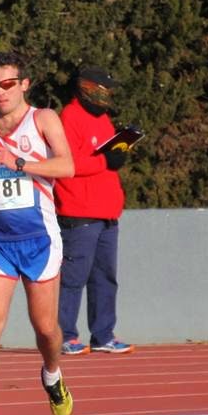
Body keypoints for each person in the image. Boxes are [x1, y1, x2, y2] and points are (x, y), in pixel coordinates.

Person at [0, 52, 75, 415]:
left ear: (24, 84)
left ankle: (53, 375)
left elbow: (66, 166)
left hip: (39, 239)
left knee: (45, 329)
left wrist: (19, 162)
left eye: (7, 84)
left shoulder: (42, 119)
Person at [55, 66, 134, 355]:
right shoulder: (68, 117)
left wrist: (118, 156)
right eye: (102, 90)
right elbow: (68, 165)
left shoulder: (104, 120)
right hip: (79, 212)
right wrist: (106, 161)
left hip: (107, 212)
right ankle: (64, 336)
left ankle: (103, 335)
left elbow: (106, 160)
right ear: (87, 88)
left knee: (105, 277)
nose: (106, 96)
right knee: (73, 277)